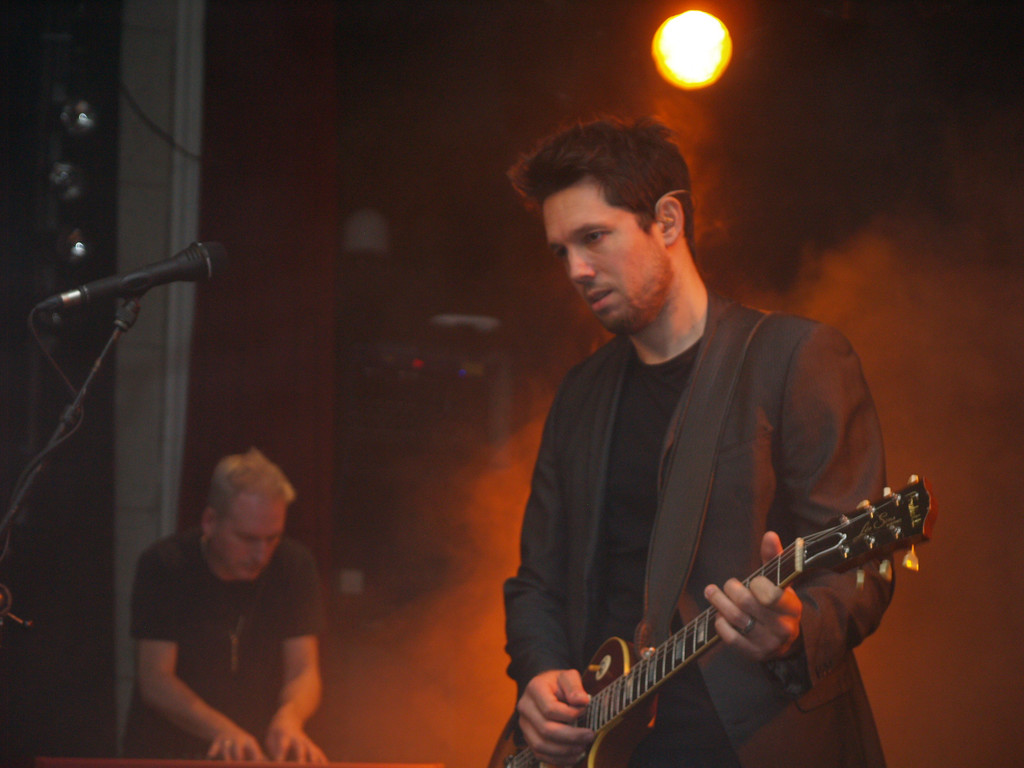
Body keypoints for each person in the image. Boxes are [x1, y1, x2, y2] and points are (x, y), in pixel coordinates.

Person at [502, 117, 892, 768]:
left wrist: (795, 629)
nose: (576, 269)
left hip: (750, 743)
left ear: (668, 221)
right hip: (606, 746)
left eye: (593, 237)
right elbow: (538, 579)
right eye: (560, 251)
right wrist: (539, 673)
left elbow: (863, 566)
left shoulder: (795, 358)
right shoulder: (581, 393)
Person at [123, 448, 327, 763]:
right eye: (247, 538)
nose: (261, 555)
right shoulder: (166, 565)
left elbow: (304, 669)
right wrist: (223, 731)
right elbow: (156, 680)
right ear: (210, 521)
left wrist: (290, 717)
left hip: (255, 754)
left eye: (273, 538)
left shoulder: (294, 565)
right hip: (169, 753)